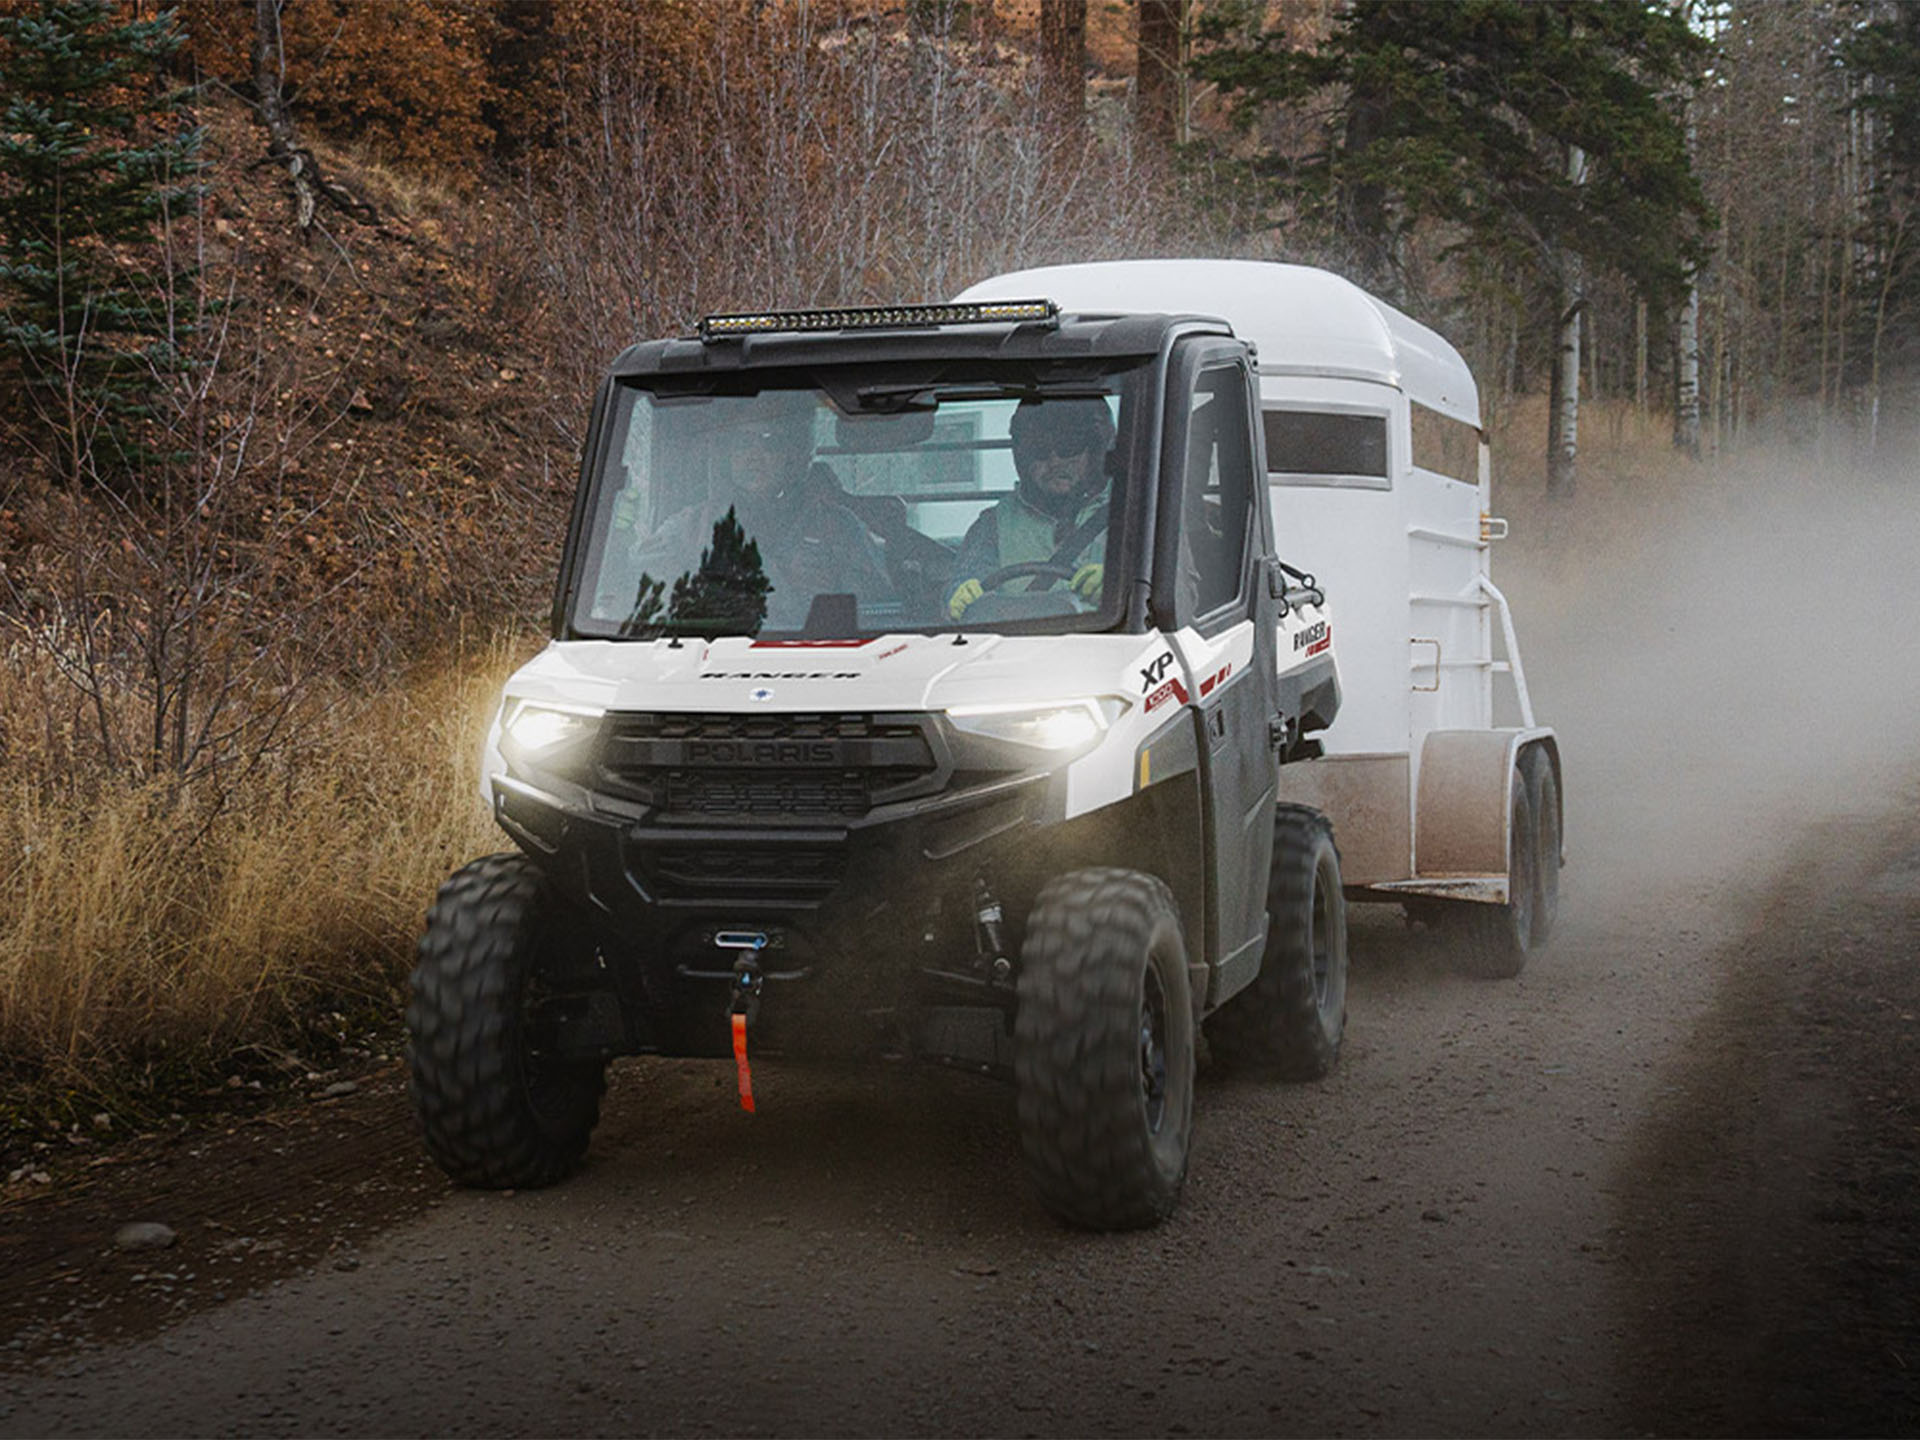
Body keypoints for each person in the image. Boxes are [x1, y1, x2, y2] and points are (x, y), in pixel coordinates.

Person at [614, 392, 893, 632]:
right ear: (730, 454)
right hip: (720, 657)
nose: (753, 454)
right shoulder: (694, 526)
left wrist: (830, 589)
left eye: (769, 441)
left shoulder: (838, 526)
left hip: (818, 659)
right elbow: (634, 592)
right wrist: (618, 537)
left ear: (795, 452)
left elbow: (880, 612)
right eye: (743, 442)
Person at [947, 396, 1115, 621]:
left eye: (1068, 447)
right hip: (1016, 647)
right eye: (1039, 450)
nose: (1054, 461)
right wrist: (957, 596)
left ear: (1096, 449)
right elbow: (963, 585)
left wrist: (1122, 585)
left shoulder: (1133, 511)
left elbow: (1164, 592)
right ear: (1022, 458)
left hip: (1111, 643)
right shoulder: (995, 523)